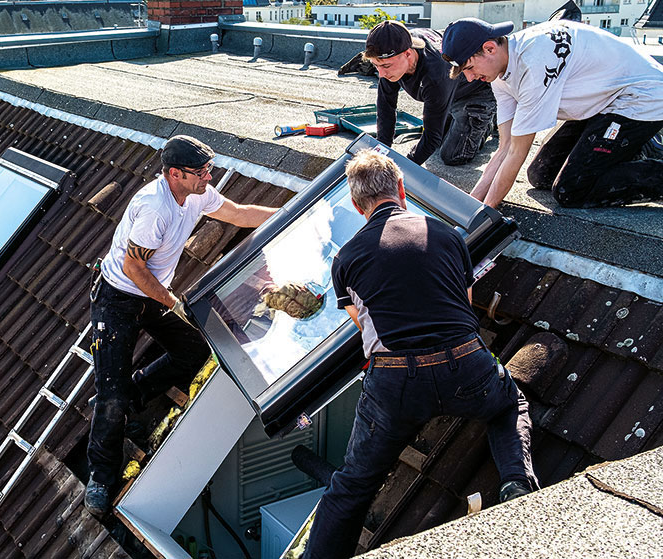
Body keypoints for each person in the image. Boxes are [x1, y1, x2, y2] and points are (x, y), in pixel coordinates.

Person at [302, 149, 538, 559]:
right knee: (508, 404)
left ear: (358, 207)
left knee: (353, 483)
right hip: (465, 365)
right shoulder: (447, 235)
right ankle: (517, 483)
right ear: (401, 190)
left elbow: (362, 323)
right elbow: (464, 304)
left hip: (395, 382)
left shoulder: (346, 259)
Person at [85, 135, 277, 516]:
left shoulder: (197, 193)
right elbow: (133, 268)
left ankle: (133, 395)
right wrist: (172, 303)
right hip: (118, 298)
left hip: (151, 293)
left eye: (209, 169)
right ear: (175, 174)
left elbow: (237, 214)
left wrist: (295, 211)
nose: (209, 177)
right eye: (201, 172)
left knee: (194, 350)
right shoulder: (154, 207)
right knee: (110, 398)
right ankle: (101, 477)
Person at [441, 18, 663, 208]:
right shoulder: (500, 73)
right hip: (601, 100)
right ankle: (630, 148)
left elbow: (518, 152)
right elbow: (505, 146)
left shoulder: (533, 63)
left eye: (469, 68)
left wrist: (484, 214)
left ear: (490, 48)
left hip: (641, 98)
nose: (469, 78)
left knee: (571, 190)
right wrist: (472, 204)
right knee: (540, 174)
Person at [365, 20, 497, 166]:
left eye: (386, 66)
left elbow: (431, 137)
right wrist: (381, 154)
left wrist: (402, 169)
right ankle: (453, 115)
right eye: (376, 66)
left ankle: (489, 121)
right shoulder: (396, 47)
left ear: (408, 54)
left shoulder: (435, 73)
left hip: (476, 90)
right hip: (447, 93)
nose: (381, 74)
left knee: (452, 154)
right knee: (437, 140)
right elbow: (386, 108)